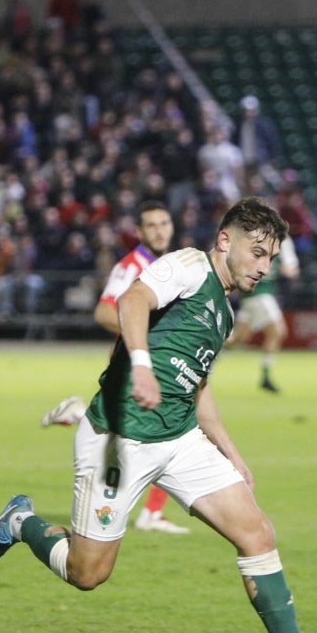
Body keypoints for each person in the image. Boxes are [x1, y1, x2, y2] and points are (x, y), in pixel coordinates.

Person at [0, 198, 317, 633]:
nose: (263, 267)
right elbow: (131, 301)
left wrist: (232, 453)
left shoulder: (225, 315)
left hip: (180, 438)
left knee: (256, 533)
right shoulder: (187, 264)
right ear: (225, 241)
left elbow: (199, 390)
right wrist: (140, 364)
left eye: (271, 259)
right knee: (87, 573)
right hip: (119, 439)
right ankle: (19, 521)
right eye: (257, 253)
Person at [40, 202, 190, 535]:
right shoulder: (130, 266)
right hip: (136, 363)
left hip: (160, 363)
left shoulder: (168, 264)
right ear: (139, 232)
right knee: (169, 430)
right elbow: (104, 313)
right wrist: (144, 336)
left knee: (163, 431)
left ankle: (82, 415)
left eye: (164, 222)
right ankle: (82, 416)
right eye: (151, 225)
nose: (160, 230)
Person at [230, 231, 299, 393]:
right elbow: (288, 269)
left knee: (236, 339)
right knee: (278, 331)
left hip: (251, 297)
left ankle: (204, 354)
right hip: (261, 295)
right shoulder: (276, 242)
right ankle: (266, 376)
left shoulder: (256, 239)